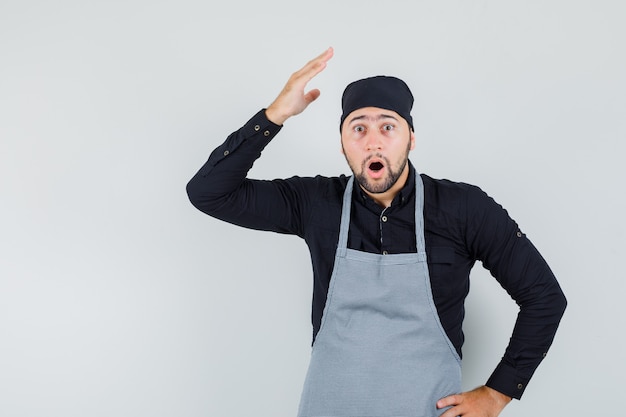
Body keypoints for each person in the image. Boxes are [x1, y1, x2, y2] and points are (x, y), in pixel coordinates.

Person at [186, 47, 566, 417]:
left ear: (410, 139)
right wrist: (274, 116)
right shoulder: (315, 203)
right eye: (358, 128)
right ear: (343, 146)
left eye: (388, 126)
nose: (373, 140)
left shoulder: (464, 208)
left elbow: (544, 296)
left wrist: (498, 393)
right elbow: (208, 193)